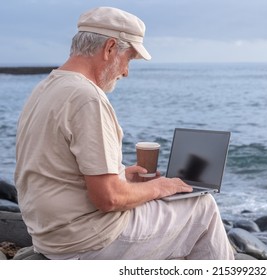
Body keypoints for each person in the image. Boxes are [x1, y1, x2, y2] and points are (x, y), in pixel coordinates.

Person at [14, 6, 234, 260]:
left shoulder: (46, 87)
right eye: (128, 58)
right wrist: (162, 187)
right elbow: (108, 198)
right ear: (109, 48)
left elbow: (55, 169)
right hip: (86, 239)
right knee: (202, 207)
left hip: (49, 233)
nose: (126, 71)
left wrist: (121, 176)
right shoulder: (87, 98)